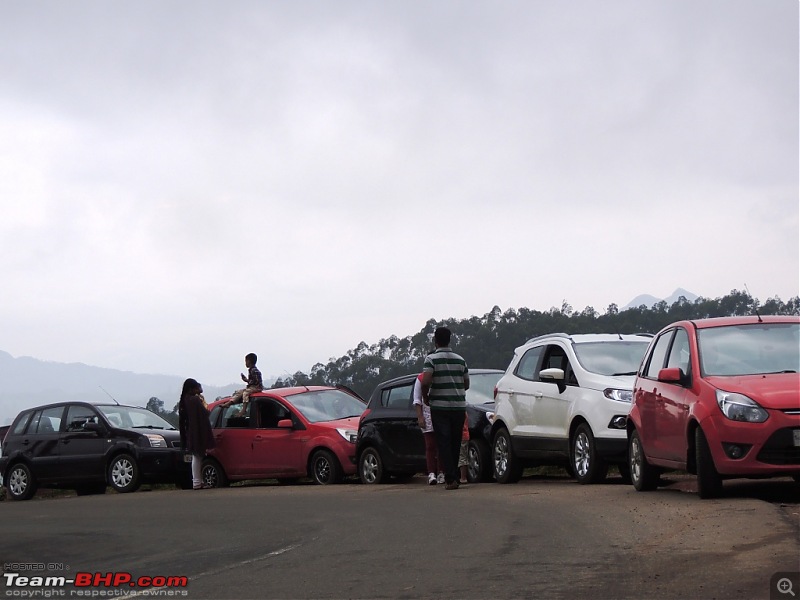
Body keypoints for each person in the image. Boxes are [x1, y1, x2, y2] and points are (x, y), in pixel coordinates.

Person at [421, 326, 469, 490]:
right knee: (456, 441)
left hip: (439, 407)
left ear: (435, 340)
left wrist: (426, 397)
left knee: (444, 442)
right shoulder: (460, 360)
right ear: (449, 340)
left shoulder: (431, 359)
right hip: (458, 406)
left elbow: (425, 381)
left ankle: (450, 478)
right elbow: (467, 383)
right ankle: (453, 475)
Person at [178, 378, 216, 490]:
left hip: (191, 431)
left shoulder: (185, 400)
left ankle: (197, 481)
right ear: (191, 389)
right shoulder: (194, 400)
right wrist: (203, 401)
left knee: (196, 457)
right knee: (197, 457)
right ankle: (197, 482)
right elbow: (205, 413)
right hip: (197, 432)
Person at [413, 373, 445, 485]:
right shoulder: (420, 379)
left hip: (440, 413)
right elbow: (417, 400)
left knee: (441, 445)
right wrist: (420, 417)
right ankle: (431, 473)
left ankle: (441, 472)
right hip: (427, 415)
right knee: (430, 445)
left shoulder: (440, 376)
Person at [458, 413, 470, 485]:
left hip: (462, 435)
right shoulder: (464, 412)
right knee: (463, 456)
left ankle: (463, 477)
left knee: (462, 457)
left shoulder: (461, 414)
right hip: (465, 435)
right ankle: (463, 477)